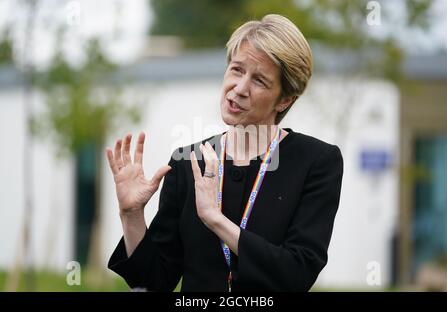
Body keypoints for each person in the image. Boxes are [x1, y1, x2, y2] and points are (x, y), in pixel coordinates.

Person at [105, 14, 343, 292]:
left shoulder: (316, 162)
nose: (240, 89)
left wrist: (216, 221)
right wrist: (131, 216)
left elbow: (297, 273)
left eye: (260, 81)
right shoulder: (187, 163)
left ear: (285, 99)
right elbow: (154, 282)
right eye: (237, 70)